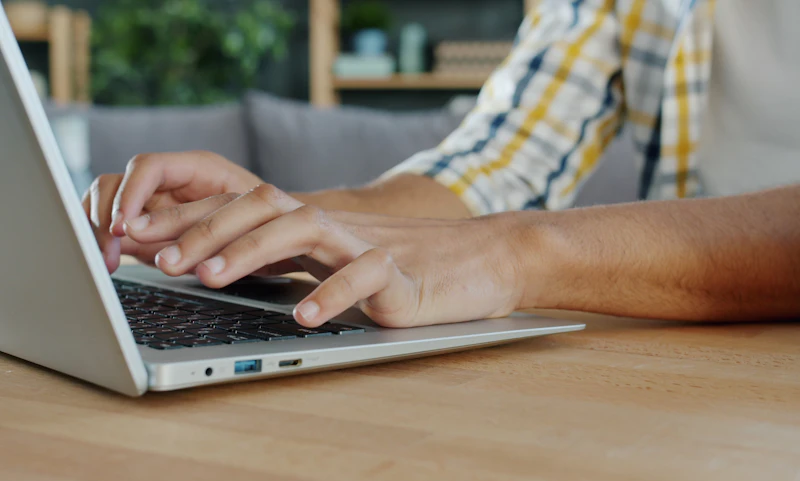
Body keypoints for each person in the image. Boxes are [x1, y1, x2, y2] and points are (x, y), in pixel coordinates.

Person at [84, 0, 800, 329]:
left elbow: (505, 229)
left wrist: (523, 252)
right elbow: (493, 161)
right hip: (694, 371)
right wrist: (283, 218)